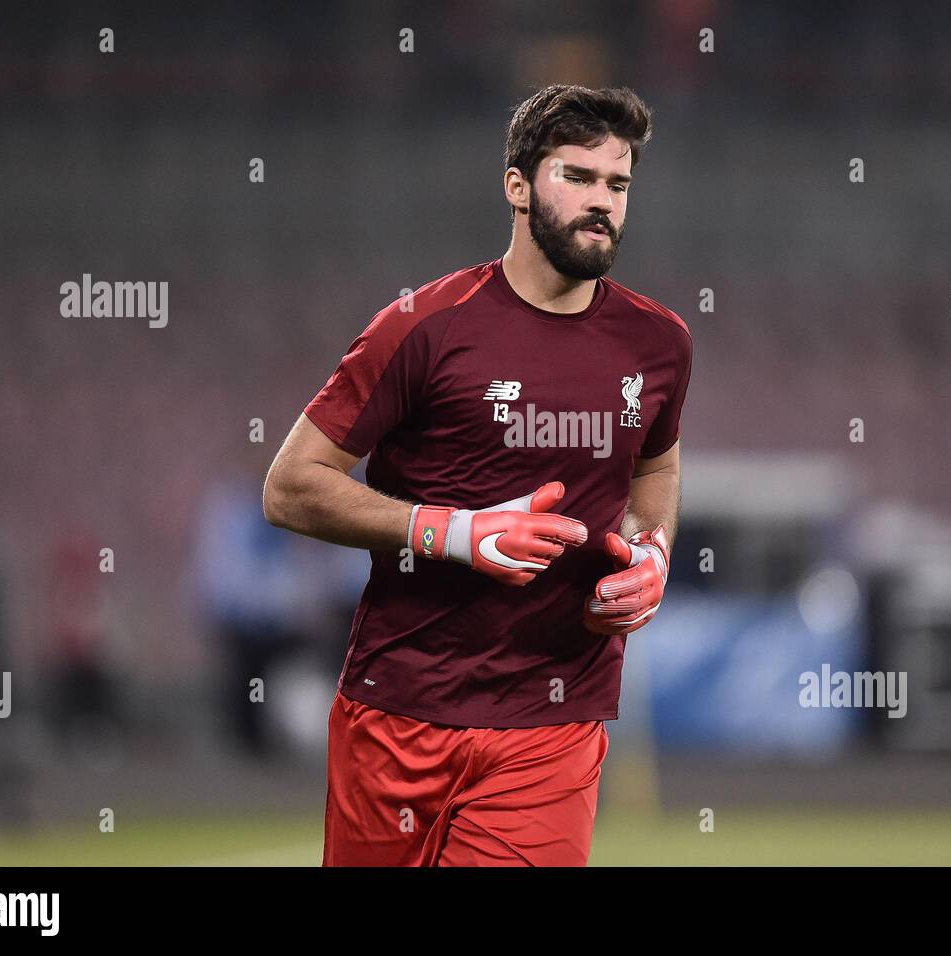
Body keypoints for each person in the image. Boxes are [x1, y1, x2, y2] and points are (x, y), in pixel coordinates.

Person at [263, 84, 692, 866]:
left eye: (618, 184)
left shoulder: (660, 344)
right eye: (578, 177)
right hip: (400, 714)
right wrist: (454, 532)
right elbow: (290, 487)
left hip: (553, 722)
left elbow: (656, 466)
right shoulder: (423, 327)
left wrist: (654, 551)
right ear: (518, 186)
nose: (603, 202)